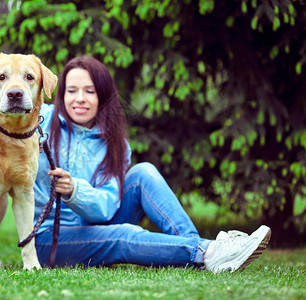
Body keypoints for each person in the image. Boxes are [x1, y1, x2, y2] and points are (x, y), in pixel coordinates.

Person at [31, 56, 270, 273]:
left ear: (102, 95)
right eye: (71, 91)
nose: (79, 98)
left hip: (97, 224)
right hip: (48, 239)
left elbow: (107, 207)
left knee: (143, 173)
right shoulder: (41, 119)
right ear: (61, 94)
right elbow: (8, 104)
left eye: (89, 91)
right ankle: (208, 252)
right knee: (123, 235)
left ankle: (199, 249)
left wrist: (75, 190)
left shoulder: (116, 144)